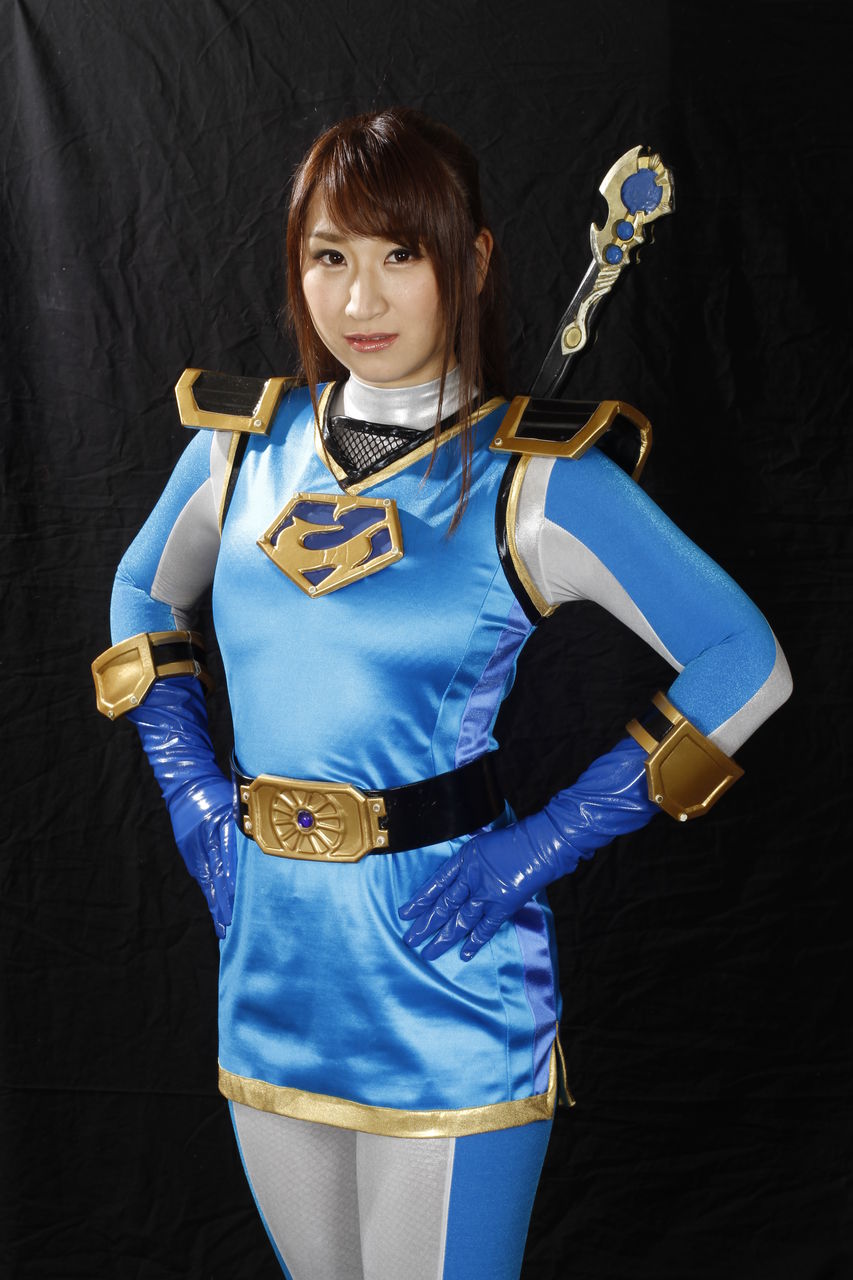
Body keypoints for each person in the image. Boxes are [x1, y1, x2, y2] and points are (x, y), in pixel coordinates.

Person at [91, 108, 792, 1280]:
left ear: (468, 261)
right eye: (329, 255)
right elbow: (137, 588)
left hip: (443, 963)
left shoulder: (538, 480)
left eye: (399, 254)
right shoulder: (237, 447)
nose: (359, 298)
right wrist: (189, 788)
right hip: (272, 962)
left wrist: (547, 840)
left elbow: (745, 660)